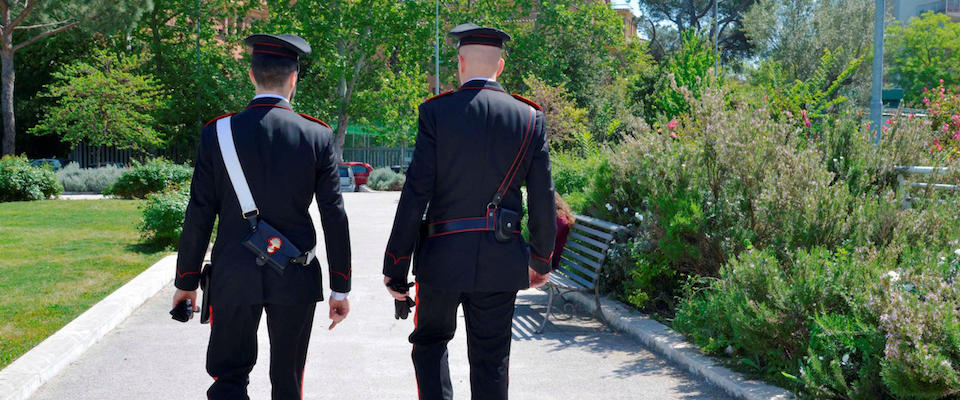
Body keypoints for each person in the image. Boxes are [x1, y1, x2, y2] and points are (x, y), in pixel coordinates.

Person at [171, 33, 352, 400]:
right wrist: (340, 287)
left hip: (233, 274)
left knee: (228, 378)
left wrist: (186, 280)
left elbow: (199, 213)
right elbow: (334, 215)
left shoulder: (217, 133)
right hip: (295, 273)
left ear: (251, 76)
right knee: (288, 381)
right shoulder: (316, 135)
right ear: (294, 79)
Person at [382, 23, 556, 400]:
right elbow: (544, 197)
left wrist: (396, 265)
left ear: (460, 63)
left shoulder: (436, 113)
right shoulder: (529, 118)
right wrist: (540, 260)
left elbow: (415, 194)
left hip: (442, 257)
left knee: (430, 345)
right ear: (501, 66)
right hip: (501, 256)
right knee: (492, 358)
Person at [552, 193, 575, 271]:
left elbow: (549, 238)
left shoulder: (561, 219)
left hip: (549, 260)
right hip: (544, 257)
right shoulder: (556, 216)